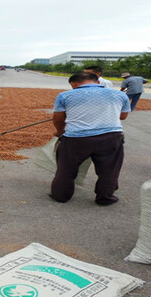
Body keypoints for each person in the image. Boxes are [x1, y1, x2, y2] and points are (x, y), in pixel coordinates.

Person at [50, 72, 130, 206]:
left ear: (73, 84)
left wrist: (59, 132)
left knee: (66, 169)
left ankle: (60, 196)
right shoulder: (120, 95)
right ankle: (105, 198)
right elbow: (122, 117)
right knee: (109, 170)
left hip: (76, 139)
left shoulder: (65, 96)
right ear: (98, 82)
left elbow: (58, 118)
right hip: (110, 138)